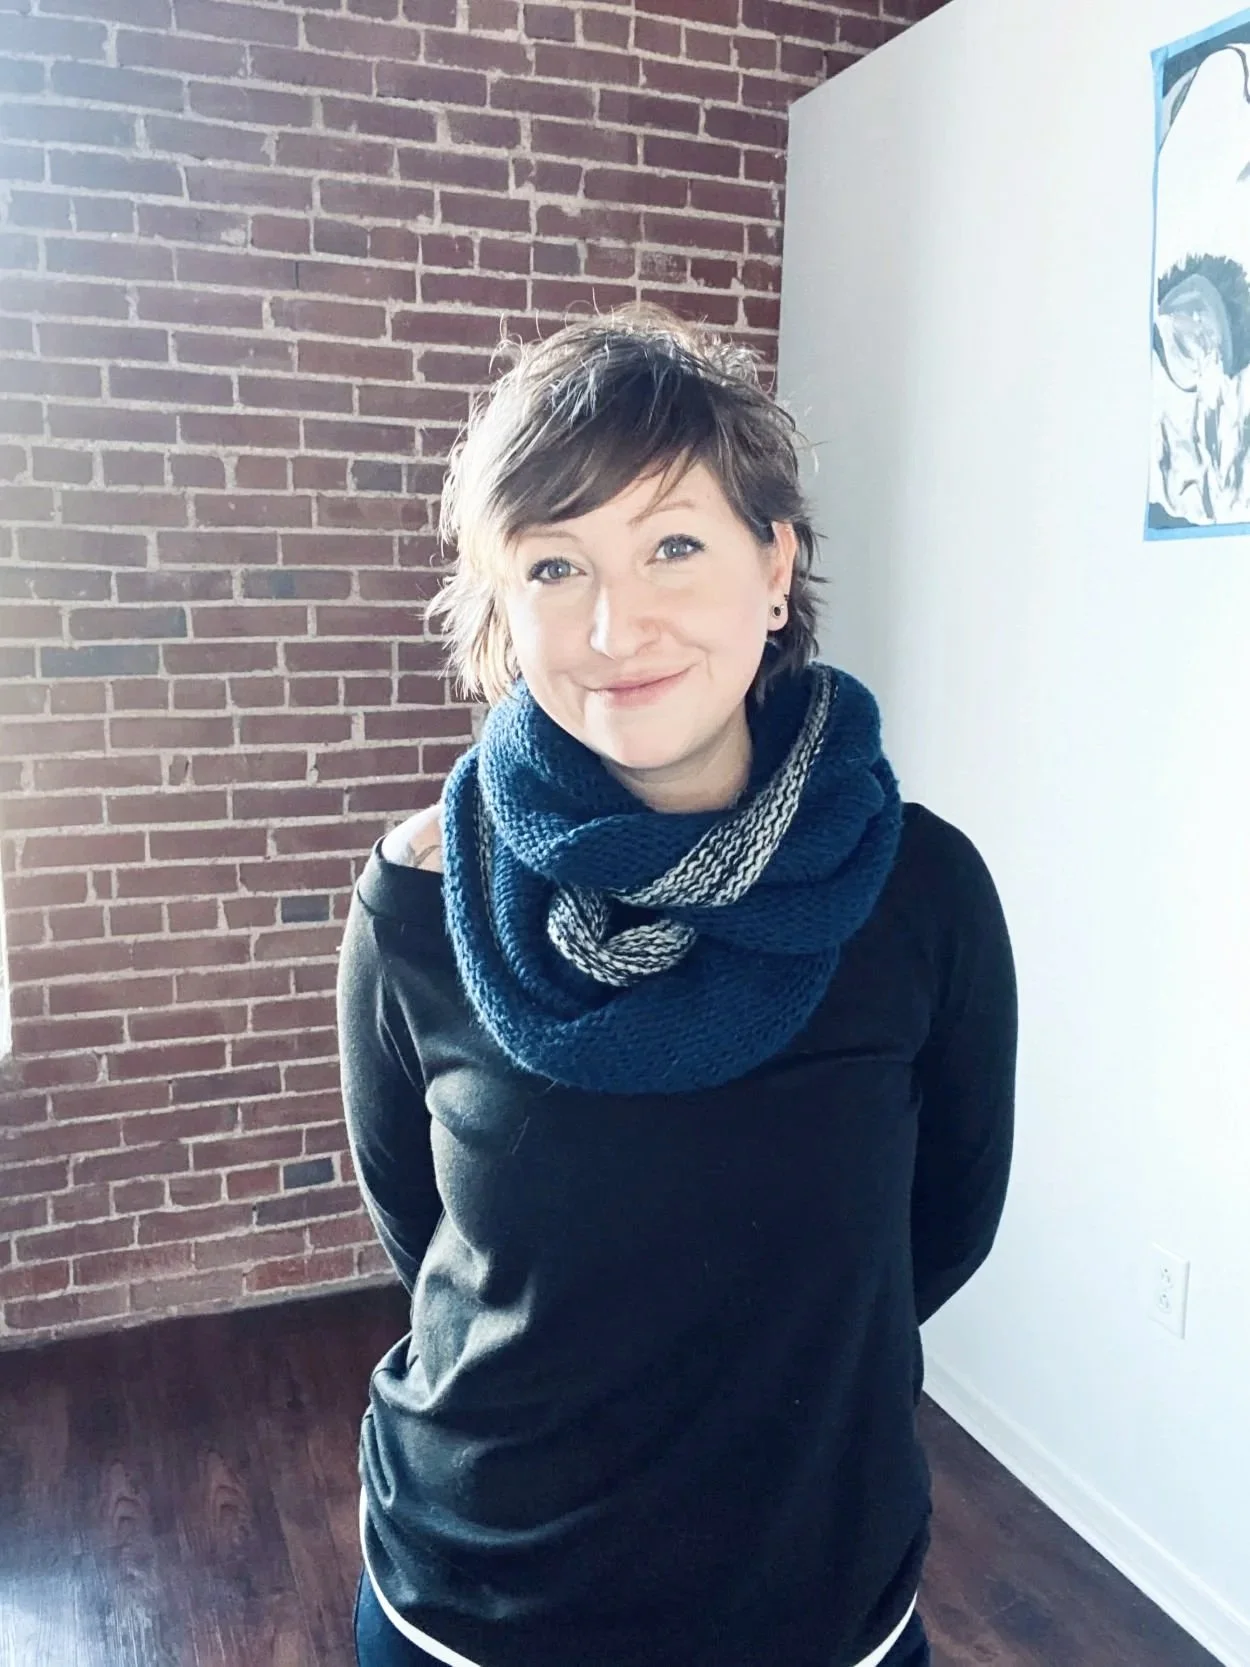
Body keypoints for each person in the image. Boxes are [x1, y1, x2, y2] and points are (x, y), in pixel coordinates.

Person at [337, 303, 1018, 1667]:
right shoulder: (421, 899)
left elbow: (938, 1228)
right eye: (552, 563)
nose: (613, 622)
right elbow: (425, 1243)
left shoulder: (918, 892)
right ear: (500, 601)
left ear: (774, 566)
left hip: (814, 1602)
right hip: (473, 1612)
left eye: (673, 544)